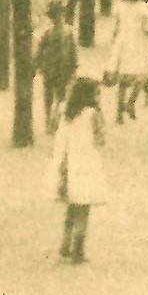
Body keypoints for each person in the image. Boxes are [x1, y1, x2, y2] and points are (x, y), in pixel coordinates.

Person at [45, 76, 108, 264]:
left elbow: (54, 129)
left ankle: (65, 245)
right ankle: (78, 250)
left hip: (66, 163)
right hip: (86, 164)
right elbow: (100, 140)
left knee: (72, 206)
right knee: (83, 208)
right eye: (97, 93)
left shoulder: (65, 110)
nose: (99, 97)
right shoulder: (93, 114)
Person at [106, 0, 148, 124]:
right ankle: (128, 103)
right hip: (138, 42)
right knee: (141, 75)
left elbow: (115, 27)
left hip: (125, 42)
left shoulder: (122, 6)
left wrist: (115, 42)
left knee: (125, 78)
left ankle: (122, 109)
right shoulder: (144, 8)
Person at [34, 1, 80, 134]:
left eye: (60, 15)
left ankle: (55, 121)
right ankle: (49, 120)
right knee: (49, 96)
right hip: (50, 68)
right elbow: (40, 50)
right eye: (55, 16)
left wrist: (74, 67)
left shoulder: (68, 32)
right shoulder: (47, 33)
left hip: (63, 69)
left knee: (61, 97)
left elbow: (72, 51)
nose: (58, 18)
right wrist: (37, 64)